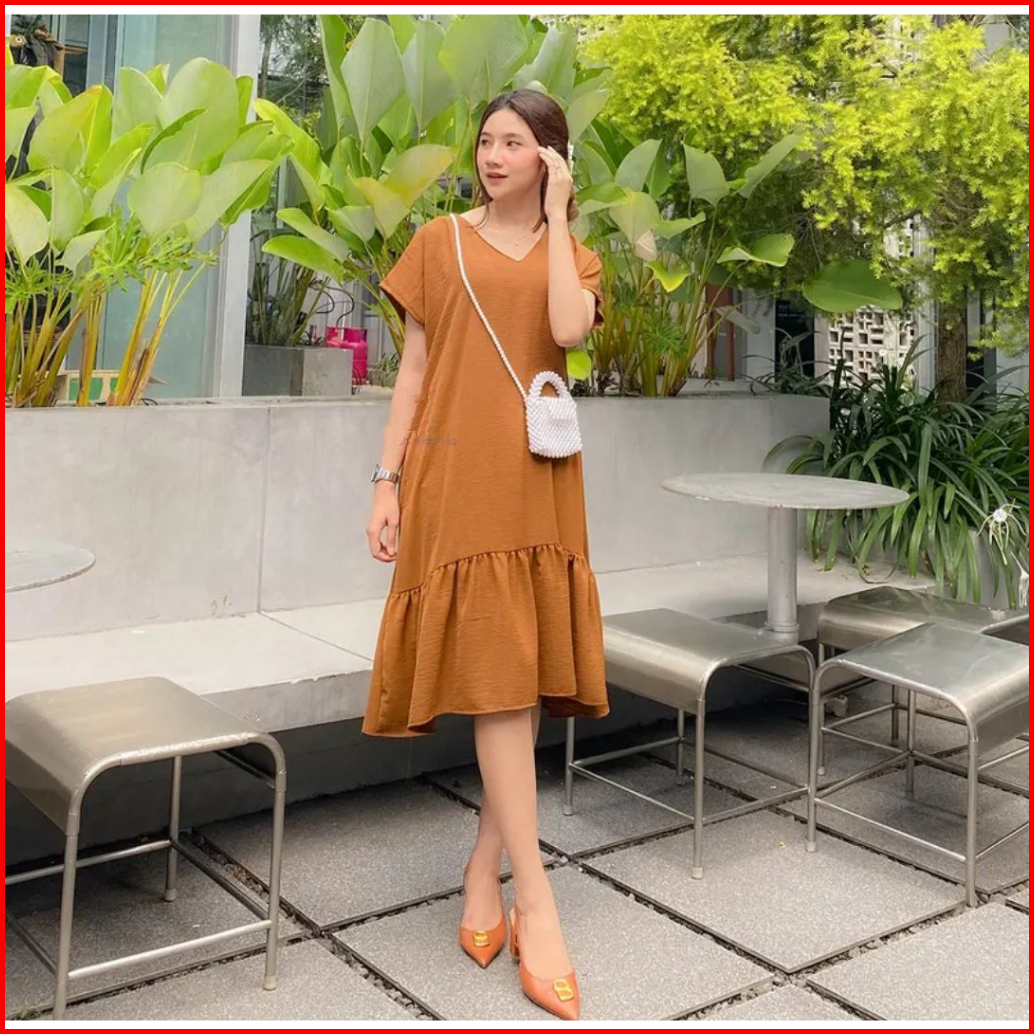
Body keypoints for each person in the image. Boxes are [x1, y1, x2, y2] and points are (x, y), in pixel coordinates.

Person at [362, 88, 609, 1021]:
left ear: (549, 156)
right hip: (457, 474)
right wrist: (385, 481)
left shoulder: (573, 253)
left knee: (524, 665)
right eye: (486, 141)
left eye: (514, 142)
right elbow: (414, 371)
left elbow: (569, 332)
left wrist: (557, 219)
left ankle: (483, 864)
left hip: (540, 476)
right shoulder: (439, 242)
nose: (493, 155)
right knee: (501, 675)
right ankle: (535, 900)